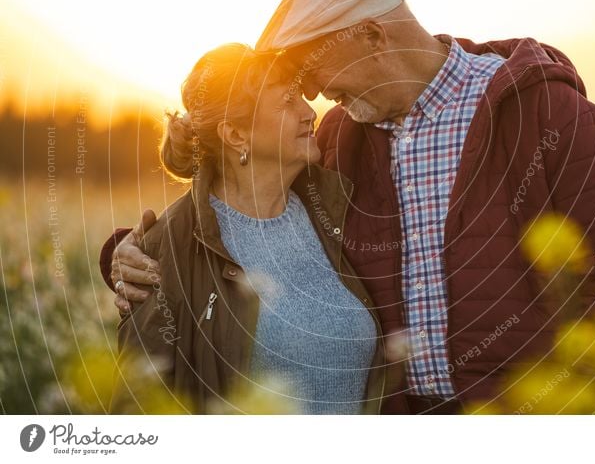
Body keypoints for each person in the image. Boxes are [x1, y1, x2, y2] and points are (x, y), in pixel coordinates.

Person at [102, 0, 595, 414]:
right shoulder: (344, 137)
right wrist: (131, 253)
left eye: (317, 70)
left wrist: (587, 403)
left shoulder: (545, 110)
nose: (317, 95)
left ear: (371, 34)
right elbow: (248, 214)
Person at [111, 43, 388, 414]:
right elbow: (138, 410)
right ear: (236, 135)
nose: (310, 113)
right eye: (288, 102)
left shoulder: (335, 212)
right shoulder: (169, 247)